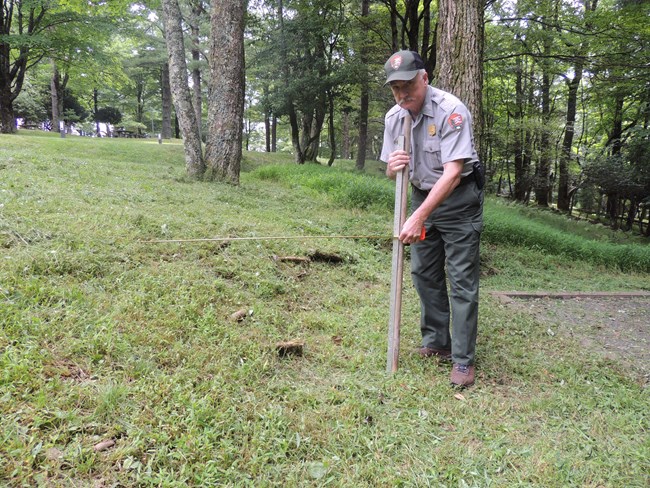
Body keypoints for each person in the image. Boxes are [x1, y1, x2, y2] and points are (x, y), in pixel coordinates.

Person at [380, 50, 484, 387]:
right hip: (422, 194)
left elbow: (454, 172)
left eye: (408, 85)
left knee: (461, 279)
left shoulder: (451, 111)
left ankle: (463, 360)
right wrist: (392, 167)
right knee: (423, 272)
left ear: (424, 78)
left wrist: (417, 217)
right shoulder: (394, 118)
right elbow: (390, 170)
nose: (402, 94)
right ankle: (437, 342)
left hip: (459, 200)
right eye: (395, 88)